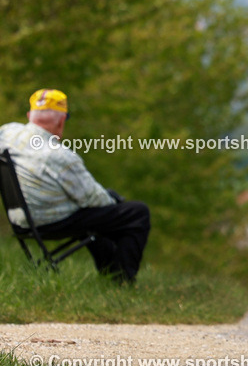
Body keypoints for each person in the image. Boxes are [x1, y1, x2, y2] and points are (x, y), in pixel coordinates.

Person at [0, 89, 149, 283]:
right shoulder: (59, 155)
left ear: (29, 116)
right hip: (49, 221)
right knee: (136, 212)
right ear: (62, 121)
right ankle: (121, 280)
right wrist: (114, 200)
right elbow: (94, 199)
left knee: (96, 212)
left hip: (20, 218)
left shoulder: (6, 132)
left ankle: (111, 271)